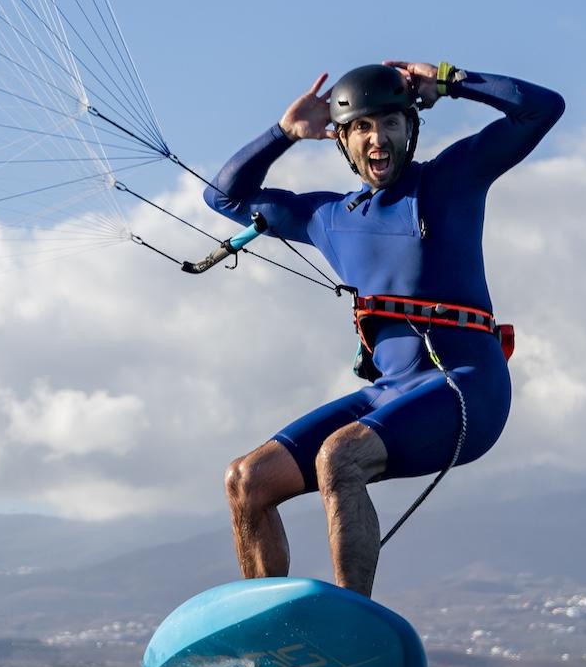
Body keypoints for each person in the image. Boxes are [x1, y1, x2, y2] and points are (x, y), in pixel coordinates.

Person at [206, 61, 564, 597]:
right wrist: (283, 133)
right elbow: (224, 197)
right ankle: (268, 631)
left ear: (410, 129)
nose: (379, 138)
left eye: (391, 124)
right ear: (344, 141)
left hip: (467, 387)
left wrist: (449, 80)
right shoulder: (326, 217)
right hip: (388, 393)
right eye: (364, 128)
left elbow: (543, 108)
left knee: (339, 456)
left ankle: (353, 623)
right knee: (247, 480)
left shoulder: (451, 179)